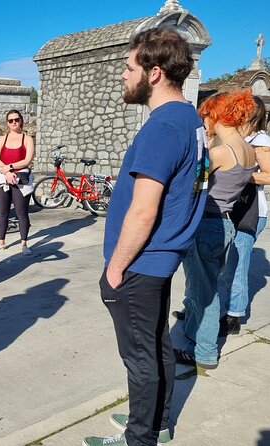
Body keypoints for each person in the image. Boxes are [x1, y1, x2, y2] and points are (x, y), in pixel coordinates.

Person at [84, 28, 208, 446]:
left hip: (140, 263)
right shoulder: (190, 118)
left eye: (129, 66)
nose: (123, 74)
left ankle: (141, 438)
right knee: (157, 347)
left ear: (154, 73)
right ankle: (158, 421)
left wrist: (115, 269)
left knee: (140, 358)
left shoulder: (162, 127)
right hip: (161, 259)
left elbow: (143, 209)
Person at [173, 90, 256, 370]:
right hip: (225, 222)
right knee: (205, 286)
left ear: (216, 114)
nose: (204, 121)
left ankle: (204, 352)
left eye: (206, 115)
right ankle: (194, 337)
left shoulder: (221, 151)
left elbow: (192, 181)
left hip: (206, 223)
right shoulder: (248, 150)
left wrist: (205, 145)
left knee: (203, 292)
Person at [218, 96, 270, 335]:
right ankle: (210, 309)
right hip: (233, 207)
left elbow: (269, 175)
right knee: (224, 264)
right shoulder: (241, 138)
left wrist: (241, 174)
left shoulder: (260, 140)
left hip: (250, 211)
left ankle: (234, 316)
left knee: (237, 265)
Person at [0, 109, 35, 254]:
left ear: (21, 120)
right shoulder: (2, 139)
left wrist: (10, 167)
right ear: (7, 123)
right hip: (3, 177)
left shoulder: (27, 139)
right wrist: (7, 172)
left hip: (20, 179)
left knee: (21, 212)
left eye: (16, 119)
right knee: (2, 212)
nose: (14, 122)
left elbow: (27, 160)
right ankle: (0, 242)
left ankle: (24, 244)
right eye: (11, 120)